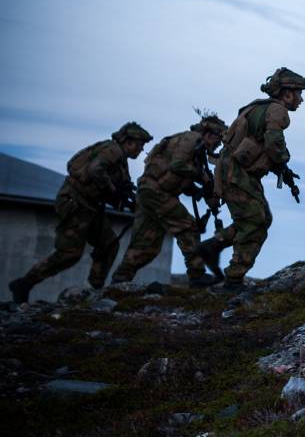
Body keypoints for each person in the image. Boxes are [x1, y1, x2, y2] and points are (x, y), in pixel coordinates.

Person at [7, 122, 153, 304]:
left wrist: (128, 201)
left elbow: (121, 188)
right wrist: (112, 190)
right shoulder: (112, 150)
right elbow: (95, 171)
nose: (141, 150)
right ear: (128, 142)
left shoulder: (120, 161)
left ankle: (94, 289)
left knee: (108, 244)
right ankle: (24, 283)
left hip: (91, 206)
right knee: (69, 253)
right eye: (140, 145)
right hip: (76, 202)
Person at [197, 67, 305, 293]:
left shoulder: (257, 107)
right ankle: (233, 280)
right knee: (255, 222)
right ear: (287, 93)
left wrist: (282, 170)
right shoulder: (277, 110)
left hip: (235, 172)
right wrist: (283, 160)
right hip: (237, 175)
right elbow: (274, 143)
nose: (301, 99)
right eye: (298, 93)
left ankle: (213, 246)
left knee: (260, 218)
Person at [110, 113, 227, 287]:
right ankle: (197, 275)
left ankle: (120, 281)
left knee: (146, 246)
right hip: (157, 192)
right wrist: (201, 177)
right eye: (218, 141)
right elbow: (177, 166)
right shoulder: (192, 139)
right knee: (188, 228)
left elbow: (176, 175)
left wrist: (196, 189)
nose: (218, 145)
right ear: (210, 135)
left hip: (149, 193)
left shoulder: (194, 147)